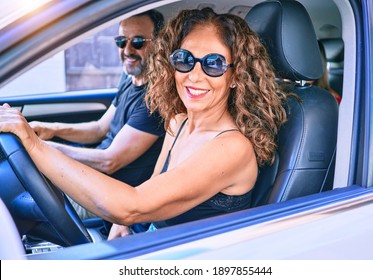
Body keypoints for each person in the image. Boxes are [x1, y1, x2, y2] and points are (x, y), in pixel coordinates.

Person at [0, 8, 288, 240]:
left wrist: (35, 146)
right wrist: (123, 226)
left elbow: (132, 205)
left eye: (213, 63)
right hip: (153, 239)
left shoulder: (231, 147)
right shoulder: (178, 121)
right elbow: (153, 186)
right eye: (184, 59)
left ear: (236, 76)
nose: (194, 76)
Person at [29, 11, 166, 219]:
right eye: (121, 41)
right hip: (91, 178)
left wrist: (39, 147)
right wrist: (50, 129)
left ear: (158, 44)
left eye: (137, 42)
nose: (127, 50)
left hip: (105, 196)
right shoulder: (131, 79)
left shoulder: (154, 101)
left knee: (28, 206)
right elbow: (100, 128)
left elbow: (109, 161)